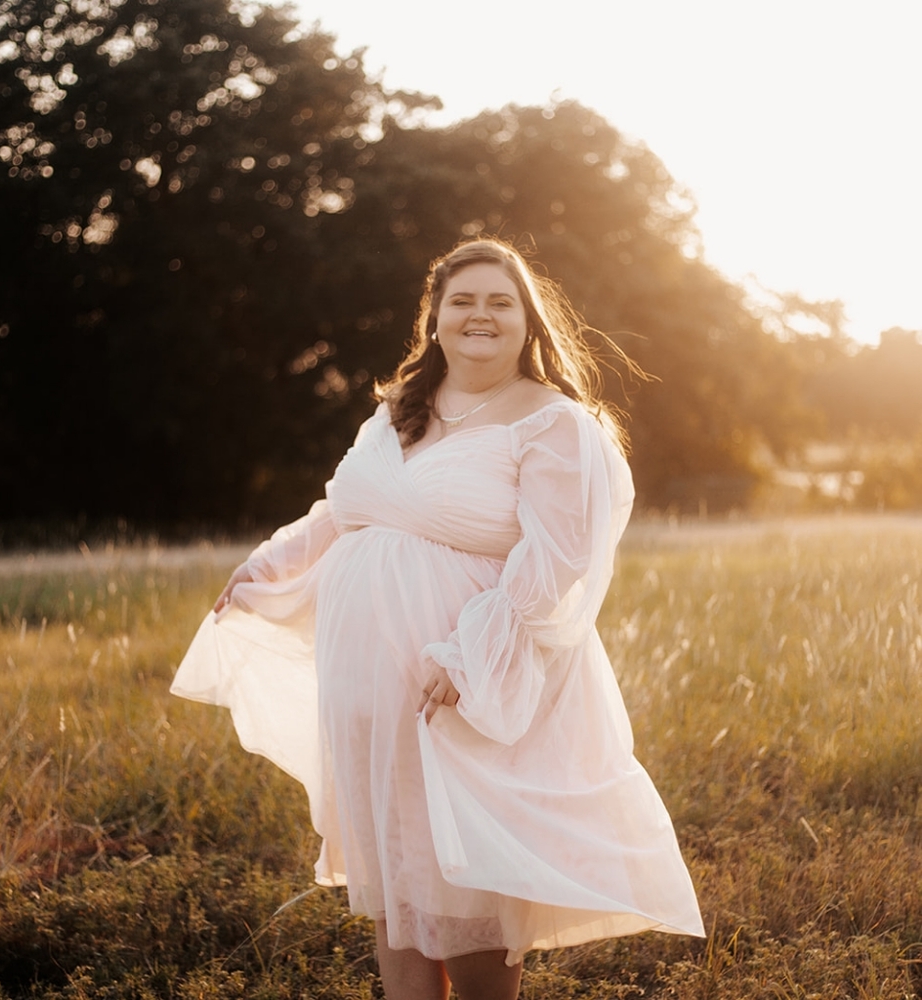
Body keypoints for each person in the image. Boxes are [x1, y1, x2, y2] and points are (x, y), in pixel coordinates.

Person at [171, 237, 704, 1000]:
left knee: (467, 872)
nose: (479, 315)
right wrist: (266, 566)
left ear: (529, 321)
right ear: (435, 316)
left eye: (499, 301)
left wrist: (468, 657)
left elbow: (557, 559)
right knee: (396, 865)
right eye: (462, 300)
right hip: (366, 674)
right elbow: (340, 511)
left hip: (461, 674)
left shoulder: (556, 424)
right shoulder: (398, 410)